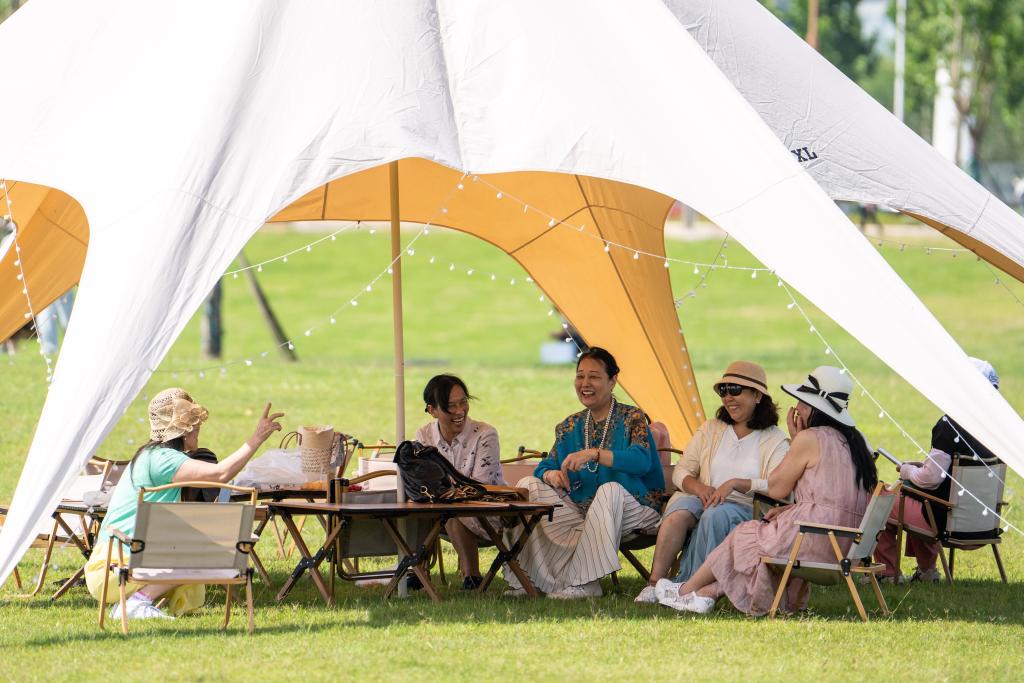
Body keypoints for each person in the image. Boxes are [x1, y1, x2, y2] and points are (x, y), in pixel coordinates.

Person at [656, 366, 877, 615]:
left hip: (813, 539)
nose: (797, 408)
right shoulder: (856, 443)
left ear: (814, 408)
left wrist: (797, 438)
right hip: (844, 543)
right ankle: (705, 594)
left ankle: (685, 590)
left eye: (802, 402)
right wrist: (787, 511)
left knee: (744, 536)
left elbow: (777, 488)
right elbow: (831, 498)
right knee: (753, 539)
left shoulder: (810, 439)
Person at [85, 388, 283, 621]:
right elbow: (220, 474)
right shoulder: (163, 460)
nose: (198, 431)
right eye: (195, 427)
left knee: (197, 542)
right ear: (183, 430)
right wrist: (257, 438)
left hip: (116, 562)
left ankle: (139, 602)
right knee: (206, 547)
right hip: (116, 567)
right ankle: (137, 603)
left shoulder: (151, 454)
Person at [507, 347, 665, 599]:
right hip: (583, 513)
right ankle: (527, 580)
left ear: (612, 381)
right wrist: (551, 475)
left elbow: (641, 461)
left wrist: (594, 454)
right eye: (580, 376)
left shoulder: (632, 417)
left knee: (610, 491)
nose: (585, 383)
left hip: (635, 511)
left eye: (594, 376)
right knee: (528, 485)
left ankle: (587, 583)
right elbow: (544, 466)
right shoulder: (570, 425)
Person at [635, 361, 789, 603]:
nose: (728, 397)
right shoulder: (711, 429)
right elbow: (682, 470)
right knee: (679, 513)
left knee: (716, 515)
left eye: (735, 390)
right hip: (704, 498)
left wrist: (737, 483)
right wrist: (700, 488)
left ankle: (689, 587)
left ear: (757, 395)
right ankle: (654, 584)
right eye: (723, 391)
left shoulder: (776, 440)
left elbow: (778, 485)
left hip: (748, 508)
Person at [873, 358, 1001, 583]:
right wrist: (920, 468)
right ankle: (927, 572)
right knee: (915, 495)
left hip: (946, 521)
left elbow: (930, 479)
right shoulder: (999, 430)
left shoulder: (949, 426)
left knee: (883, 500)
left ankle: (888, 573)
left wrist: (906, 471)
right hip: (984, 524)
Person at [415, 374, 504, 590]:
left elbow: (479, 487)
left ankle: (472, 576)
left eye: (463, 402)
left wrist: (442, 490)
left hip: (488, 510)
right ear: (432, 410)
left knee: (451, 512)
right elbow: (421, 481)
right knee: (414, 506)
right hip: (441, 510)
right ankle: (416, 571)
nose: (460, 411)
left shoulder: (485, 434)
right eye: (450, 406)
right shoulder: (424, 435)